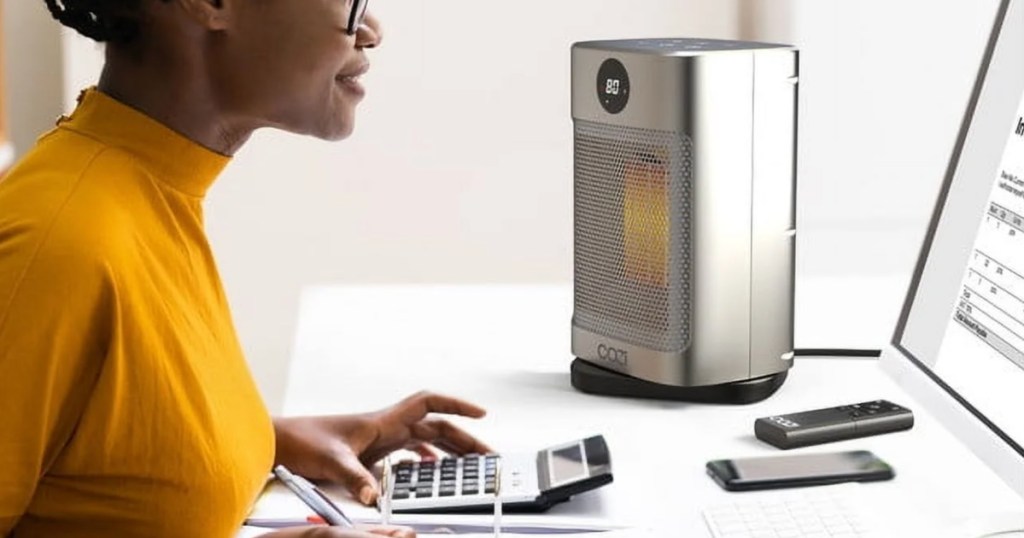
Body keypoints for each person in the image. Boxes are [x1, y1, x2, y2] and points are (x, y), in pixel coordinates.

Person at [0, 1, 492, 536]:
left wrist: (265, 438)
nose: (371, 32)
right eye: (350, 3)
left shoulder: (149, 192)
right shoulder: (58, 247)